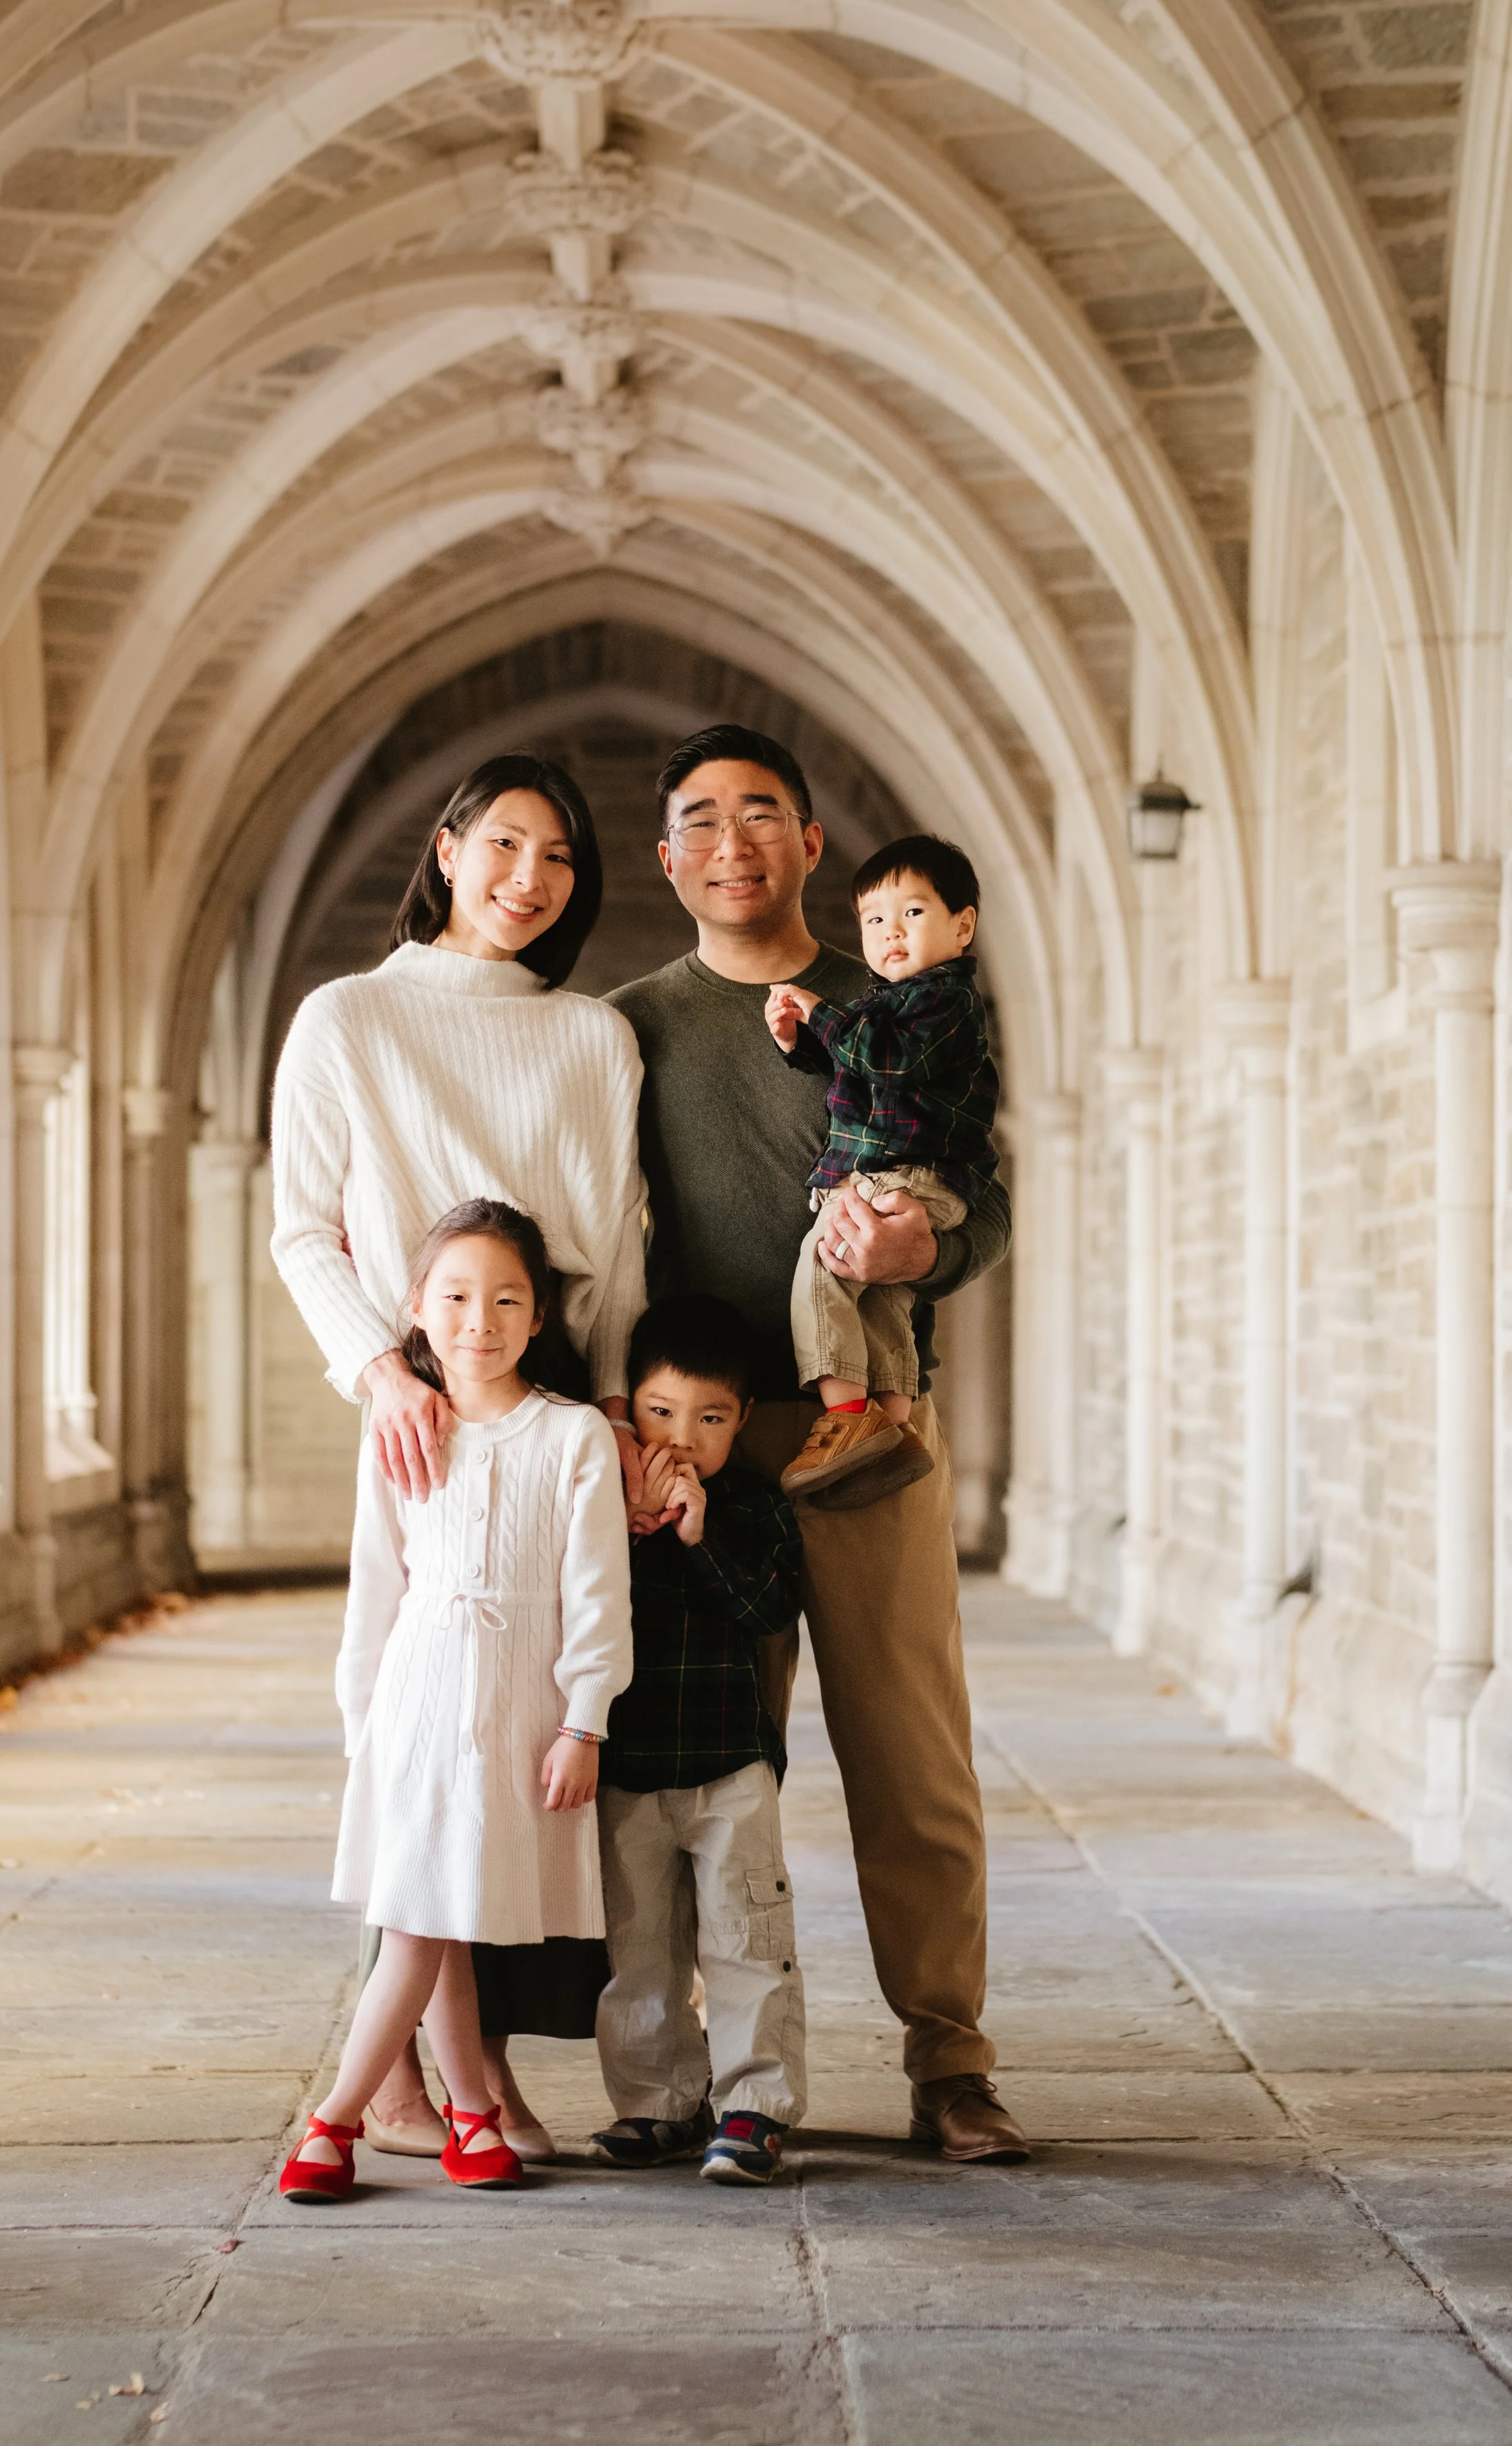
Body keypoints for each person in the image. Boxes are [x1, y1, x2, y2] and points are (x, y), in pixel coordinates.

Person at [608, 724, 1029, 2166]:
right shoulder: (628, 1028)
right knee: (713, 1775)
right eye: (701, 820)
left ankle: (950, 2063)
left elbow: (983, 1194)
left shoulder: (897, 996)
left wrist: (931, 1242)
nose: (731, 843)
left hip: (871, 1432)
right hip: (702, 1449)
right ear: (668, 858)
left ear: (809, 844)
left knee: (912, 1757)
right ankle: (720, 2080)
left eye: (761, 815)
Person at [269, 754, 647, 2162]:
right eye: (502, 844)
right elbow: (303, 1227)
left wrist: (617, 1406)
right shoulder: (347, 1018)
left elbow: (617, 1248)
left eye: (558, 857)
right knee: (427, 1723)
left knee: (527, 1737)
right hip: (419, 1397)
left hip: (552, 1399)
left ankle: (475, 2072)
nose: (527, 878)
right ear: (445, 848)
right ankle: (426, 2082)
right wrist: (381, 1371)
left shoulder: (592, 1037)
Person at [277, 1202, 634, 2202]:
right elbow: (375, 1588)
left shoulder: (570, 1435)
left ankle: (465, 2113)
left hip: (519, 1708)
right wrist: (363, 1726)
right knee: (422, 1915)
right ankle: (340, 2119)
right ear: (416, 1308)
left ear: (539, 1315)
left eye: (507, 1300)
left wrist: (585, 1719)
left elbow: (599, 1595)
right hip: (416, 1700)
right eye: (458, 1297)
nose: (481, 1321)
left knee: (447, 1909)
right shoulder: (398, 1428)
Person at [587, 1295, 805, 2187]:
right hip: (629, 1766)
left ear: (742, 1418)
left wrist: (700, 1533)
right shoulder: (603, 1512)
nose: (683, 1438)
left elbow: (769, 1610)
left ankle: (754, 2105)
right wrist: (630, 1528)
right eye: (660, 1412)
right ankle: (658, 2102)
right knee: (639, 1945)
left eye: (710, 1418)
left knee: (746, 1933)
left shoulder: (753, 1508)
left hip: (729, 1765)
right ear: (626, 1410)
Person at [766, 833, 998, 1502]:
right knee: (885, 1299)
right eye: (873, 919)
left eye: (912, 913)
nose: (890, 931)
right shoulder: (888, 1006)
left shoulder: (945, 1000)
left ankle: (845, 1418)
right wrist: (798, 1043)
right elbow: (858, 1070)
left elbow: (888, 1064)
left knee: (824, 1262)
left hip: (904, 1174)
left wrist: (819, 1010)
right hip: (910, 1177)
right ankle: (892, 1428)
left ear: (962, 926)